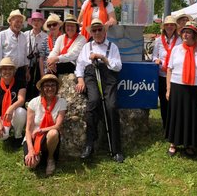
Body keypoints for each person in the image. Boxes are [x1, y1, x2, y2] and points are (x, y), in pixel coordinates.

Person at [75, 18, 124, 163]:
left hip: (108, 76)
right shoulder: (86, 47)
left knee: (111, 107)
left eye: (99, 30)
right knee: (94, 101)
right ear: (91, 32)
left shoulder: (112, 47)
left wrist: (103, 57)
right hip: (91, 74)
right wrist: (80, 79)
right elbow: (79, 65)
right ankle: (89, 143)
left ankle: (116, 149)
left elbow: (118, 66)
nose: (96, 32)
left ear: (104, 31)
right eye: (94, 30)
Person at [165, 21, 197, 157]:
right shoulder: (176, 49)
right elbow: (169, 69)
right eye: (183, 31)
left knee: (192, 117)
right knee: (176, 115)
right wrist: (168, 89)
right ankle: (173, 143)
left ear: (195, 35)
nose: (185, 34)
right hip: (178, 87)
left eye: (188, 32)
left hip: (196, 89)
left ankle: (189, 144)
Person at [24, 74, 67, 176]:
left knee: (53, 133)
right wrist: (30, 149)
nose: (50, 88)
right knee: (32, 165)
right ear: (42, 88)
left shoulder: (61, 102)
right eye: (47, 85)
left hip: (49, 137)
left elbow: (57, 126)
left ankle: (50, 158)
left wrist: (40, 130)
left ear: (56, 87)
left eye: (53, 85)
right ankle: (37, 154)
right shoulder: (33, 102)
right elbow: (28, 130)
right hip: (34, 137)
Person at [0, 57, 27, 146]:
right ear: (0, 71)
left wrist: (11, 108)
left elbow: (21, 100)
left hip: (15, 113)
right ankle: (6, 129)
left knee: (21, 111)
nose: (7, 71)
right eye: (5, 69)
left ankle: (18, 135)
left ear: (14, 71)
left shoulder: (20, 82)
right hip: (1, 115)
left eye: (10, 69)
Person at [152, 16, 181, 129]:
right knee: (164, 101)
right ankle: (166, 125)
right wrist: (156, 60)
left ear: (175, 27)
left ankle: (174, 125)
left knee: (174, 102)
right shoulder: (159, 40)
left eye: (172, 25)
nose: (169, 27)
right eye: (167, 25)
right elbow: (154, 55)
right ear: (164, 27)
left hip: (175, 76)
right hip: (162, 75)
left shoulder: (179, 40)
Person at [0, 9, 30, 83]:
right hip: (7, 71)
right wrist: (0, 74)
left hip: (20, 70)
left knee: (20, 92)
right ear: (10, 21)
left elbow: (25, 55)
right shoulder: (2, 35)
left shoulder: (23, 36)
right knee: (6, 93)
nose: (19, 24)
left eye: (21, 22)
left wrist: (27, 71)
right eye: (17, 21)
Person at [25, 12, 47, 101]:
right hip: (27, 64)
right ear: (31, 22)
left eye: (38, 20)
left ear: (42, 23)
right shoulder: (25, 35)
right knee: (26, 84)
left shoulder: (45, 36)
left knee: (38, 83)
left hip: (40, 64)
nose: (36, 23)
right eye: (34, 20)